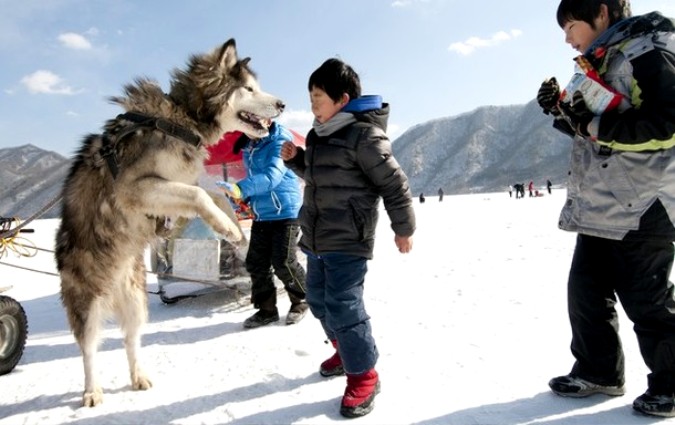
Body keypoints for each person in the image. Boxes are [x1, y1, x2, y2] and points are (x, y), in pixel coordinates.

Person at [537, 0, 675, 417]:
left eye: (571, 25)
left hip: (644, 201)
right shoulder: (603, 58)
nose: (566, 37)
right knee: (586, 292)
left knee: (646, 299)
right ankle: (600, 371)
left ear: (601, 13)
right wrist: (562, 112)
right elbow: (596, 128)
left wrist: (594, 125)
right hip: (603, 199)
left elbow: (666, 123)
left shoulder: (648, 52)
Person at [281, 58, 415, 418]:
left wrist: (403, 228)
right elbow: (319, 174)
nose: (312, 105)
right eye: (310, 98)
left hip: (349, 239)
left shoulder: (364, 135)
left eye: (318, 97)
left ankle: (364, 374)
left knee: (343, 305)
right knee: (319, 301)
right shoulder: (318, 136)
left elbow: (394, 185)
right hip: (317, 238)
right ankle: (345, 349)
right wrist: (297, 161)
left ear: (342, 99)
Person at [217, 121, 309, 329]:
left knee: (283, 260)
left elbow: (271, 177)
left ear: (268, 121)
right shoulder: (249, 147)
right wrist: (242, 199)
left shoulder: (279, 142)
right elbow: (255, 179)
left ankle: (301, 300)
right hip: (262, 214)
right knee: (256, 262)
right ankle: (267, 310)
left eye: (262, 119)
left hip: (286, 212)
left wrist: (240, 189)